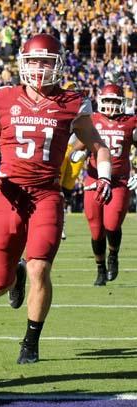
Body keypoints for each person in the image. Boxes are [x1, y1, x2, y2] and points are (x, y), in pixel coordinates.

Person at [0, 34, 112, 364]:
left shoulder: (72, 103)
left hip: (47, 195)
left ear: (58, 65)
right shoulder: (3, 98)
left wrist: (105, 174)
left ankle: (30, 341)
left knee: (40, 267)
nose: (39, 68)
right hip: (9, 194)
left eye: (47, 62)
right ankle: (14, 277)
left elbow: (99, 147)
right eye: (34, 61)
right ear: (23, 63)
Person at [68, 83, 137, 286]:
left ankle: (113, 255)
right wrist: (77, 155)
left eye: (115, 101)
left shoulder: (130, 122)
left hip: (118, 182)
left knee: (112, 225)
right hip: (94, 180)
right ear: (100, 101)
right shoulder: (93, 120)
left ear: (122, 103)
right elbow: (73, 150)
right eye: (107, 101)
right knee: (96, 231)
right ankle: (100, 267)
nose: (110, 105)